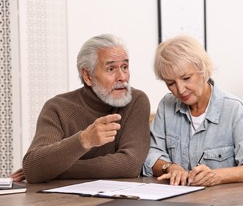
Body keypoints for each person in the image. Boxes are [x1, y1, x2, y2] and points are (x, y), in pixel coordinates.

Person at [11, 34, 151, 184]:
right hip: (61, 202)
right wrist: (84, 140)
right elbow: (34, 167)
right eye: (111, 69)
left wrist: (54, 170)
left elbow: (129, 165)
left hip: (119, 202)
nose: (122, 77)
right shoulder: (57, 107)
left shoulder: (136, 101)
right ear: (87, 76)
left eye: (124, 67)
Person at [142, 35, 243, 187]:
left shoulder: (237, 112)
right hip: (178, 203)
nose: (180, 89)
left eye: (186, 78)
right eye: (171, 83)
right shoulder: (167, 105)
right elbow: (151, 155)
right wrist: (170, 167)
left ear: (202, 69)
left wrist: (216, 176)